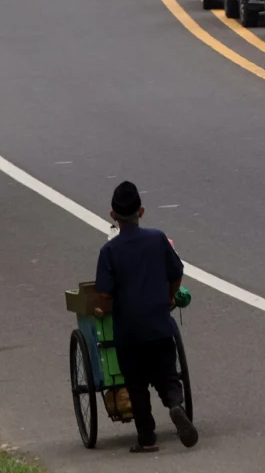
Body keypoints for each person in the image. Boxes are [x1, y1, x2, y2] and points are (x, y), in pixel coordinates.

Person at [91, 181, 198, 453]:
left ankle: (147, 438)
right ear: (142, 211)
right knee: (167, 375)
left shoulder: (109, 251)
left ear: (113, 216)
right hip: (161, 326)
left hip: (129, 333)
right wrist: (170, 296)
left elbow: (103, 294)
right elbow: (176, 274)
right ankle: (175, 405)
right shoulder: (158, 238)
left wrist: (106, 306)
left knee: (136, 386)